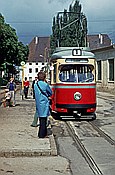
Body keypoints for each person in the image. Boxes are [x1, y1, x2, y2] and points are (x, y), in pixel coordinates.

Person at [34, 71, 52, 138]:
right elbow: (51, 93)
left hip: (38, 104)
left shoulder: (35, 85)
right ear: (44, 77)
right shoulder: (45, 85)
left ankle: (42, 133)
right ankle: (42, 134)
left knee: (41, 119)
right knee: (44, 120)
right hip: (44, 103)